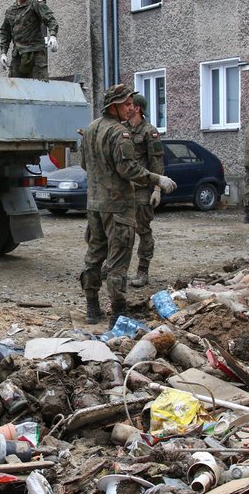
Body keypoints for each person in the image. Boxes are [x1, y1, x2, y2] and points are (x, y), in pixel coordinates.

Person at [80, 84, 177, 326]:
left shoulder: (91, 128)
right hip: (118, 206)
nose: (130, 107)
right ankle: (119, 313)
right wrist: (158, 180)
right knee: (117, 262)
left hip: (95, 203)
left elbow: (84, 164)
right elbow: (128, 169)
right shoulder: (119, 133)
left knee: (94, 256)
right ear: (113, 106)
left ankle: (92, 307)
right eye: (125, 104)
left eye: (131, 104)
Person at [126, 93, 165, 288]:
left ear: (137, 108)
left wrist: (157, 188)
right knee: (120, 230)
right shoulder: (122, 129)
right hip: (123, 189)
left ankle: (143, 270)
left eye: (130, 104)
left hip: (142, 190)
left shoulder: (150, 132)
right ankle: (115, 267)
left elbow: (156, 161)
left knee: (143, 230)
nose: (126, 107)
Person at [0, 0, 58, 80]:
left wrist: (53, 36)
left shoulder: (35, 4)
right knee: (14, 86)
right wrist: (3, 53)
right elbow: (5, 33)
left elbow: (50, 20)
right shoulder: (10, 11)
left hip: (35, 53)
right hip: (18, 55)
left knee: (41, 85)